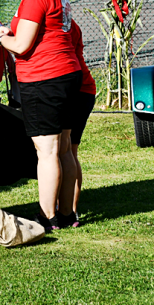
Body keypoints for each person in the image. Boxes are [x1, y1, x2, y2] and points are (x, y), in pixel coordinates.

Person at [0, 0, 81, 231]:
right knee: (64, 148)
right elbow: (34, 27)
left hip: (44, 78)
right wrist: (11, 28)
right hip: (68, 75)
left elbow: (21, 46)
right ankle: (67, 213)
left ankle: (47, 216)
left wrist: (0, 40)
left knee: (46, 151)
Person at [68, 20, 96, 224]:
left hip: (78, 89)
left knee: (69, 150)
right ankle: (65, 206)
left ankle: (71, 209)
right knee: (64, 150)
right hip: (74, 87)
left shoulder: (65, 24)